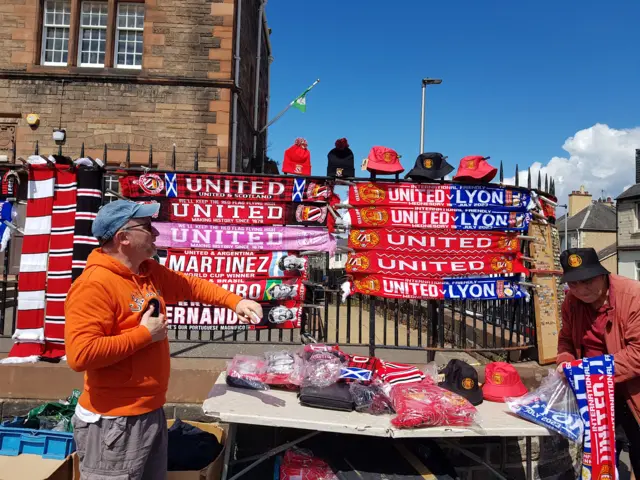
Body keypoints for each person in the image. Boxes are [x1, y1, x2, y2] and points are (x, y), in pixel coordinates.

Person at [65, 200, 263, 479]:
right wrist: (145, 335)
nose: (156, 233)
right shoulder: (93, 284)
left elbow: (190, 285)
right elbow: (81, 355)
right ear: (123, 238)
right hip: (113, 422)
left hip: (148, 412)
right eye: (147, 227)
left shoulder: (147, 272)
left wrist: (235, 301)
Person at [556, 247, 640, 474]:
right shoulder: (571, 302)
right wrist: (565, 361)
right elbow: (565, 339)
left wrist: (587, 371)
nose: (581, 290)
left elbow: (638, 354)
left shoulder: (633, 297)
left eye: (588, 281)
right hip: (595, 395)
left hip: (633, 391)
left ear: (602, 274)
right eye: (573, 284)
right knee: (597, 463)